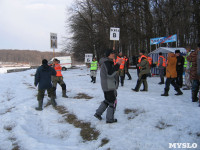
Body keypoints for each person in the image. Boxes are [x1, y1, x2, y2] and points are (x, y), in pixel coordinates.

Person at [94, 49, 122, 123]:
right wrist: (118, 64)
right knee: (112, 102)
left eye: (114, 53)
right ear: (108, 54)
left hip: (107, 85)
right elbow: (110, 74)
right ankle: (109, 119)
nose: (114, 54)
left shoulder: (108, 62)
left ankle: (98, 113)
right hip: (108, 85)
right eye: (112, 53)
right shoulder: (107, 62)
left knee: (108, 100)